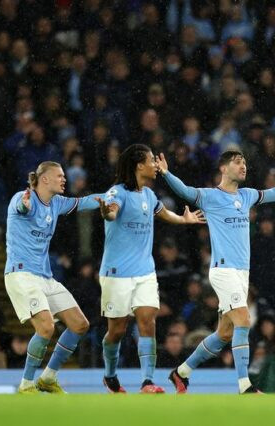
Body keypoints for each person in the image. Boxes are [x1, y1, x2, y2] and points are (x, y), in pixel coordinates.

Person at [158, 149, 275, 394]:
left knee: (225, 333)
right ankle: (244, 385)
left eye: (245, 162)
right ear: (224, 168)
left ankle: (181, 372)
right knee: (244, 319)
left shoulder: (247, 195)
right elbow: (185, 191)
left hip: (241, 273)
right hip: (223, 270)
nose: (243, 166)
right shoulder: (210, 196)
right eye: (238, 162)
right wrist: (165, 173)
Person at [96, 144, 205, 394]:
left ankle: (147, 381)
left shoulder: (148, 195)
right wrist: (106, 212)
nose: (156, 165)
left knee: (148, 321)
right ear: (138, 165)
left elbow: (163, 213)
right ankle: (110, 376)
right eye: (151, 161)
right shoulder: (117, 193)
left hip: (145, 271)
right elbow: (111, 213)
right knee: (117, 330)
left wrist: (184, 219)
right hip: (116, 273)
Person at [4, 161, 102, 393]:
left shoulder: (56, 203)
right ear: (44, 179)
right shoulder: (22, 197)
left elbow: (83, 202)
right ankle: (26, 384)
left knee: (80, 325)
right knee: (46, 327)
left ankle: (48, 378)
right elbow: (21, 207)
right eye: (59, 176)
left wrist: (113, 195)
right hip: (21, 274)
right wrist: (25, 206)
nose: (64, 179)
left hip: (45, 277)